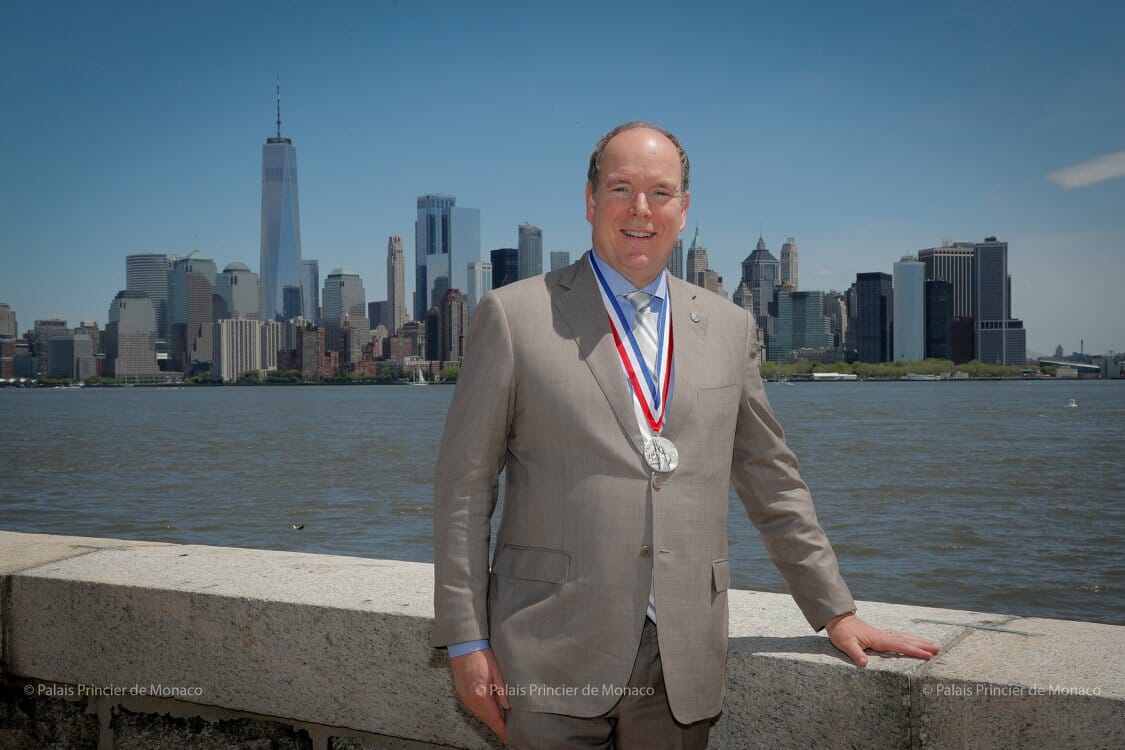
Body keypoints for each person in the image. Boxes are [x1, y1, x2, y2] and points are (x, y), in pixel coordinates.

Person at [431, 121, 939, 748]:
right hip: (546, 654)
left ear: (683, 207)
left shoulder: (728, 327)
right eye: (621, 188)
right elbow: (464, 490)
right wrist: (465, 638)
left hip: (684, 661)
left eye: (660, 192)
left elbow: (769, 478)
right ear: (590, 200)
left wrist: (835, 611)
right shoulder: (514, 316)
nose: (640, 210)